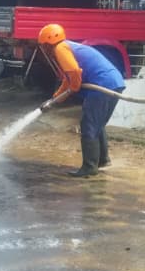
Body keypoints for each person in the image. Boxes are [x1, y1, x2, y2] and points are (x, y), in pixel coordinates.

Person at [37, 23, 125, 177]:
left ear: (49, 42)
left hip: (102, 85)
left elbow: (74, 72)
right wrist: (54, 99)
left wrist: (74, 87)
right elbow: (67, 79)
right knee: (97, 124)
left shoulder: (60, 48)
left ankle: (89, 167)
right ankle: (103, 160)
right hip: (114, 82)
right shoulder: (68, 47)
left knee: (89, 124)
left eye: (44, 46)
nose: (43, 49)